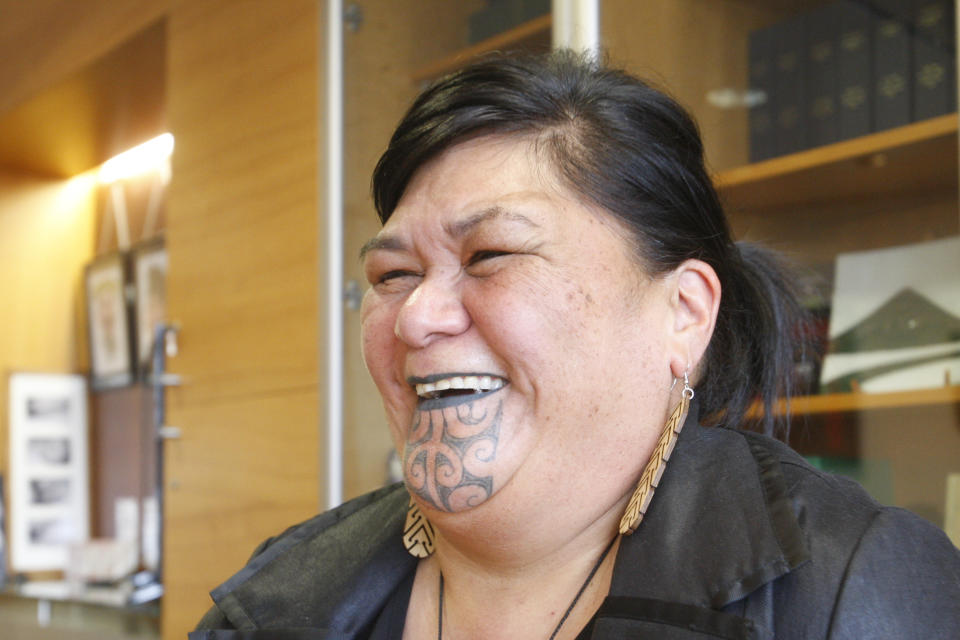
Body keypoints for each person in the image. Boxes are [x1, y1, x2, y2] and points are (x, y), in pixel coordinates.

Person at [191, 51, 960, 639]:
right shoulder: (276, 596)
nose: (416, 317)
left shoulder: (851, 585)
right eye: (393, 273)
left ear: (684, 313)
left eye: (491, 256)